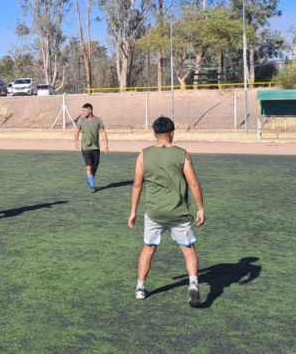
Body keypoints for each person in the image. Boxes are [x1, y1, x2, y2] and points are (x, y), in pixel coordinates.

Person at [128, 116, 205, 306]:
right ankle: (193, 285)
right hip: (178, 212)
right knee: (188, 249)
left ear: (154, 133)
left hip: (154, 212)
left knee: (149, 248)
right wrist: (201, 208)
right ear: (172, 133)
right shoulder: (182, 154)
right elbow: (193, 182)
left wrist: (133, 211)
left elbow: (137, 185)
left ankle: (140, 288)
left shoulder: (143, 155)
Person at [74, 103, 109, 192]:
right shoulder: (80, 121)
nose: (83, 112)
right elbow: (77, 131)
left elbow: (103, 132)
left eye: (84, 111)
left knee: (95, 166)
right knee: (89, 166)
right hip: (85, 147)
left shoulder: (98, 120)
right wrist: (76, 141)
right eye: (82, 111)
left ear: (90, 110)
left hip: (95, 147)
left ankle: (90, 179)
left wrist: (106, 145)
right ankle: (92, 186)